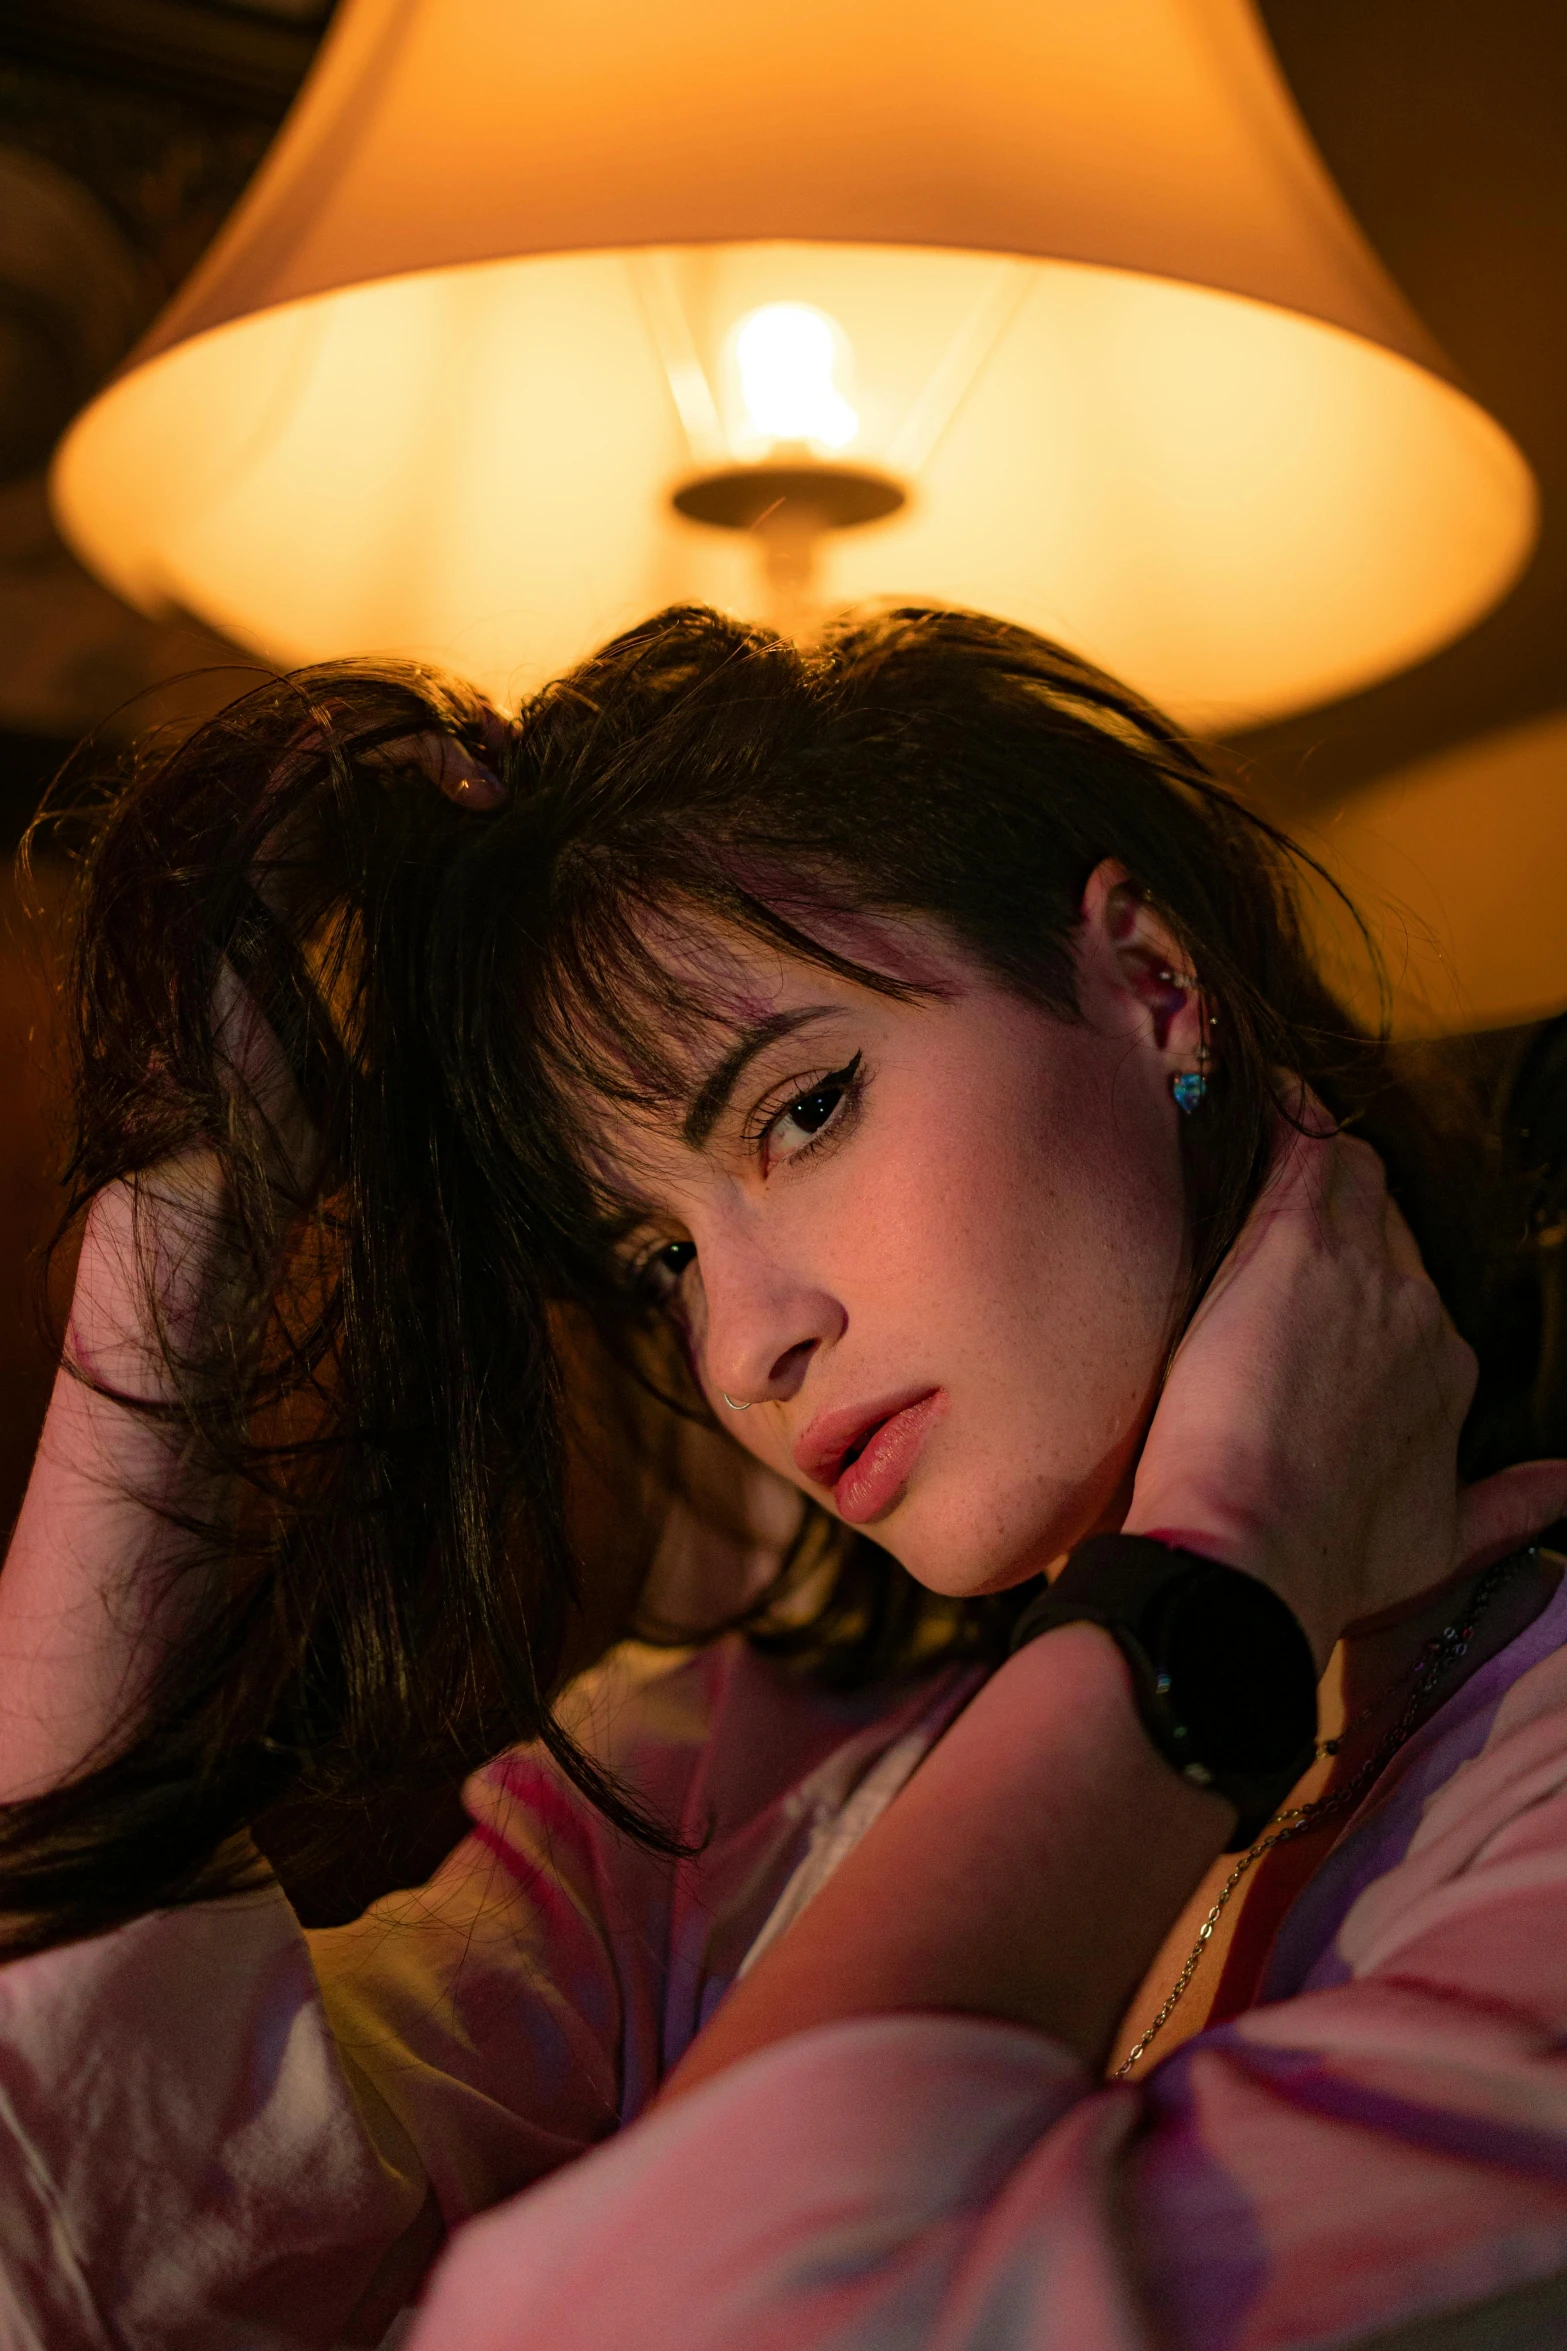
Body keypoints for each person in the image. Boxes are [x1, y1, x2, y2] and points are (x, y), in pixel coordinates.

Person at [1, 604, 1566, 2350]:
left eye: (805, 1109)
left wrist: (1205, 1589)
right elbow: (98, 2262)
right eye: (656, 1257)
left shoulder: (1532, 1797)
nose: (743, 1341)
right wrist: (182, 1225)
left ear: (1149, 978)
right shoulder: (703, 1779)